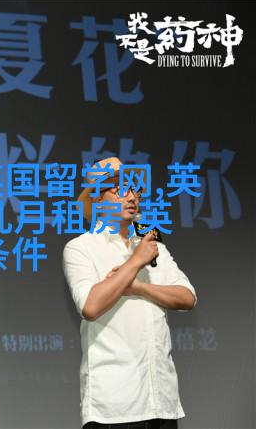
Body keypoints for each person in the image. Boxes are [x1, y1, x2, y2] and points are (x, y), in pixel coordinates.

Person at [62, 157, 197, 429]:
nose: (132, 197)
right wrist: (136, 262)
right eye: (119, 190)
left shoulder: (151, 244)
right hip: (114, 405)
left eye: (135, 189)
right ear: (97, 199)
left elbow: (187, 297)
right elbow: (90, 306)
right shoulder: (80, 248)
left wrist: (138, 287)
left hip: (162, 400)